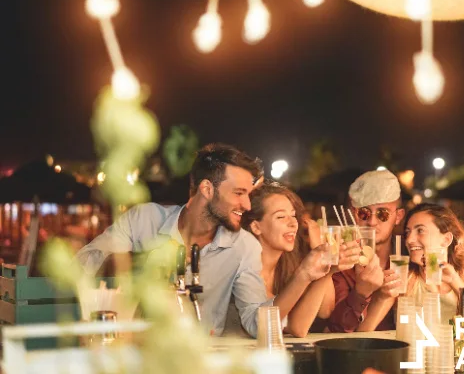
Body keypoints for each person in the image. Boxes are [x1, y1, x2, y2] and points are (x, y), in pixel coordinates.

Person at [75, 143, 270, 338]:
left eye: (248, 194)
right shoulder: (142, 220)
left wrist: (301, 275)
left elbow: (256, 323)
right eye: (239, 193)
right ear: (207, 189)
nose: (247, 205)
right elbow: (82, 265)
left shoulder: (245, 247)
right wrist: (139, 263)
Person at [242, 182, 360, 337]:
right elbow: (264, 327)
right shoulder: (243, 271)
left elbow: (312, 319)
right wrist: (305, 273)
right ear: (256, 227)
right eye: (281, 217)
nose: (292, 223)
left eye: (293, 215)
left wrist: (329, 266)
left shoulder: (289, 266)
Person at [328, 169, 406, 332]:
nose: (372, 221)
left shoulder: (407, 258)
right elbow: (338, 331)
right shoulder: (341, 263)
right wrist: (360, 294)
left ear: (398, 216)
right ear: (354, 215)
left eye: (382, 214)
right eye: (364, 213)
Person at [404, 203, 464, 323]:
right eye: (407, 232)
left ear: (446, 239)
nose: (409, 240)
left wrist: (454, 281)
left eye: (420, 230)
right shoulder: (404, 282)